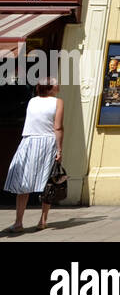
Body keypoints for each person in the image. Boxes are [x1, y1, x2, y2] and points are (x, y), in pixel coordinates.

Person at [4, 78, 64, 234]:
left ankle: (18, 222)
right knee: (48, 183)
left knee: (23, 182)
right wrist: (59, 149)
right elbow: (57, 127)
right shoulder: (58, 102)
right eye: (56, 83)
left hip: (29, 141)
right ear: (51, 88)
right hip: (47, 142)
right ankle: (43, 221)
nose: (59, 85)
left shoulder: (32, 101)